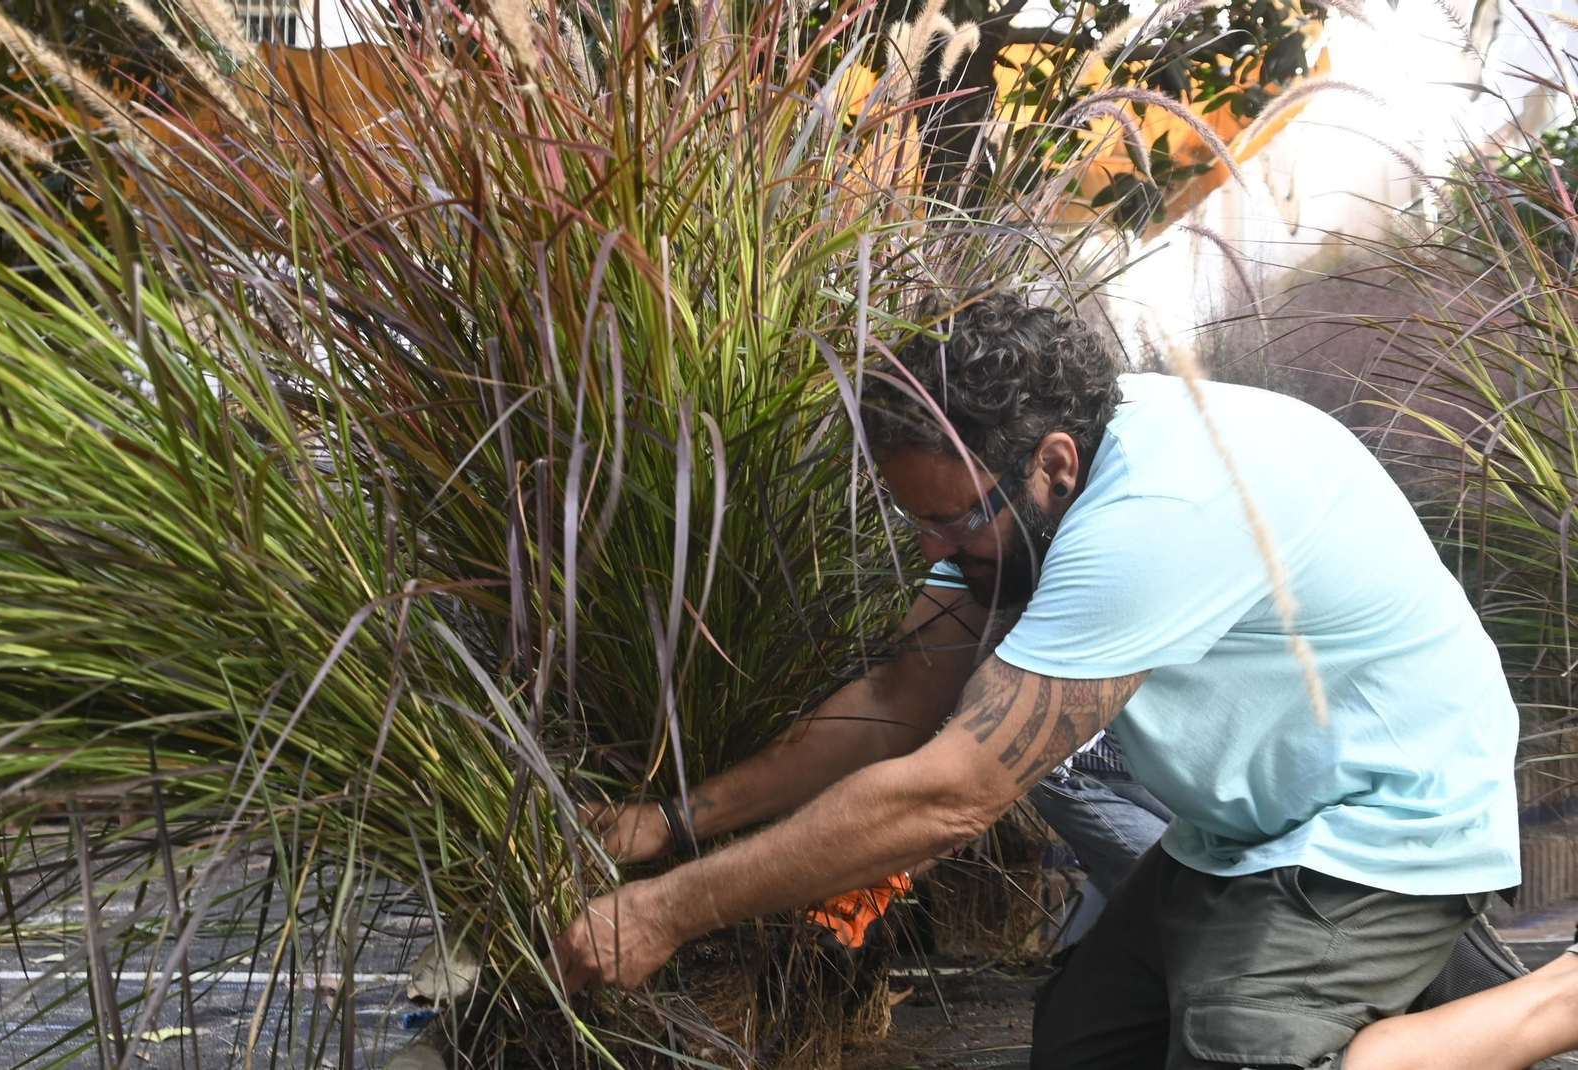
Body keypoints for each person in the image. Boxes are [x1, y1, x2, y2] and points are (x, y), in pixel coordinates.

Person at [550, 288, 1578, 1070]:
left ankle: (1553, 1000)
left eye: (952, 520)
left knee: (1250, 1046)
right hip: (1245, 822)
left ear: (1053, 462)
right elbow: (898, 695)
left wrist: (668, 909)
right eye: (916, 518)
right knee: (1084, 1039)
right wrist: (671, 821)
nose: (930, 548)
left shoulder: (1154, 515)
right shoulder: (1023, 493)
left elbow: (950, 791)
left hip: (1384, 812)